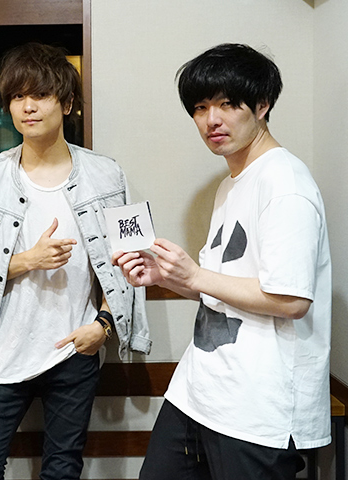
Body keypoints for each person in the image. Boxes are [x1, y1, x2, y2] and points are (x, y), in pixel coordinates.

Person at [113, 43, 331, 480]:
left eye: (228, 104)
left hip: (258, 408)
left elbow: (290, 300)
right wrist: (167, 277)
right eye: (200, 107)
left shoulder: (285, 185)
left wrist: (194, 275)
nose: (212, 119)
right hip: (200, 391)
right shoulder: (231, 183)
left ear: (262, 105)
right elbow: (222, 287)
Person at [0, 42, 150, 480]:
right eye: (17, 96)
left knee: (62, 471)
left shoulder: (108, 175)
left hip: (74, 351)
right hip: (0, 351)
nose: (27, 107)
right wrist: (26, 260)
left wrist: (103, 326)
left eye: (40, 94)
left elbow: (130, 262)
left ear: (67, 103)